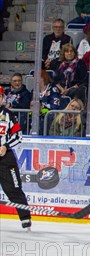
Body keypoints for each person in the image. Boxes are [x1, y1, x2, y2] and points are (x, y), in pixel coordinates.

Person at [0, 86, 32, 230]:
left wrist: (6, 145)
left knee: (14, 188)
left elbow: (18, 136)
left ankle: (25, 219)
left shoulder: (8, 115)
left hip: (5, 158)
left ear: (2, 98)